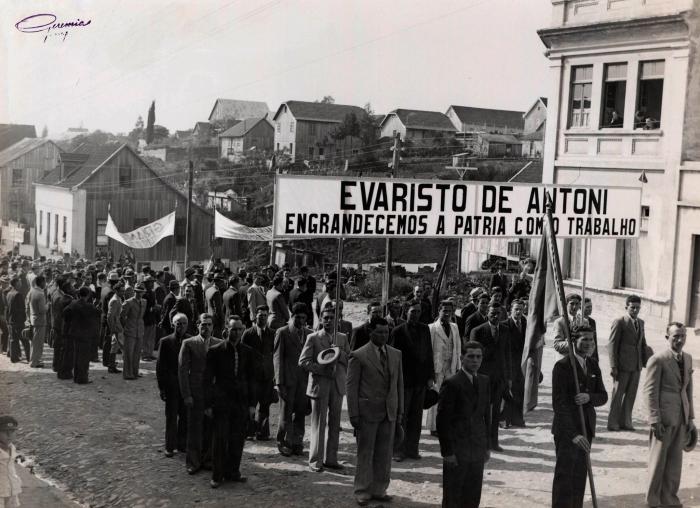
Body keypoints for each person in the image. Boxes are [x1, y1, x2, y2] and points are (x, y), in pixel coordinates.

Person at [347, 318, 403, 506]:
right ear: (371, 332)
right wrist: (353, 414)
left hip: (389, 412)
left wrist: (400, 411)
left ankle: (379, 489)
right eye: (379, 332)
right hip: (367, 412)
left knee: (385, 453)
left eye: (386, 332)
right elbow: (351, 387)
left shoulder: (396, 355)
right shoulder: (359, 355)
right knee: (366, 452)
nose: (383, 336)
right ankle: (362, 490)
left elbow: (399, 385)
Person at [551, 326, 608, 508]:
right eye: (584, 339)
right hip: (569, 432)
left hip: (587, 428)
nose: (588, 344)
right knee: (565, 477)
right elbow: (559, 405)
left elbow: (603, 396)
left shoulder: (593, 364)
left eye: (591, 340)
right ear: (573, 341)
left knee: (580, 477)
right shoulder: (562, 366)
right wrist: (573, 434)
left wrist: (589, 397)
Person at [644, 322, 695, 508]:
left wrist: (690, 418)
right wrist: (654, 419)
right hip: (663, 420)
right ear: (667, 338)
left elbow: (688, 390)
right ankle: (653, 501)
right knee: (658, 463)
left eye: (683, 336)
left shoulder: (688, 359)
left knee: (674, 464)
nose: (680, 340)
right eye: (675, 336)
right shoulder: (658, 360)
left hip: (681, 417)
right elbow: (650, 392)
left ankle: (669, 500)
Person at [204, 315, 256, 489]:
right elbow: (207, 380)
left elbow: (251, 379)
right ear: (227, 330)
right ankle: (217, 476)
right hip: (221, 403)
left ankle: (233, 472)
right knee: (220, 439)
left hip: (240, 403)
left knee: (237, 439)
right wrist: (208, 405)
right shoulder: (215, 351)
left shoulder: (247, 351)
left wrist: (251, 405)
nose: (237, 332)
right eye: (234, 329)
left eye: (240, 329)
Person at [437, 342, 491, 508]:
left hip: (477, 448)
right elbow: (442, 421)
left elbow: (486, 417)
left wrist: (487, 446)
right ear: (462, 358)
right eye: (471, 356)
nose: (475, 360)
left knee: (473, 495)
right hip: (458, 450)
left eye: (478, 356)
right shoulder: (452, 383)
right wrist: (447, 452)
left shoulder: (484, 381)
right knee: (453, 496)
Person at [299, 304, 350, 472]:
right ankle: (316, 461)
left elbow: (349, 359)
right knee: (319, 424)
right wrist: (322, 369)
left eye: (332, 318)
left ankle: (331, 459)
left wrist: (339, 353)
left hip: (337, 385)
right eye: (325, 318)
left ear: (337, 320)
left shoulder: (342, 338)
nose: (328, 321)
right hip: (320, 385)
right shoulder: (313, 338)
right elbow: (304, 361)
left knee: (335, 424)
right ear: (320, 319)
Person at [390, 299, 434, 461]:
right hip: (404, 382)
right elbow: (392, 359)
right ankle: (398, 450)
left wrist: (431, 376)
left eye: (418, 311)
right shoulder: (398, 331)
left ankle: (412, 449)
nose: (416, 314)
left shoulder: (425, 330)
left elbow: (429, 353)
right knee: (402, 417)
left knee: (416, 418)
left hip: (421, 381)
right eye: (413, 311)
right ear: (406, 312)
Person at [178, 314, 221, 475]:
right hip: (195, 392)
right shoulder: (189, 343)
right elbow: (182, 371)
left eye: (209, 325)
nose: (206, 328)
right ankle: (193, 462)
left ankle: (208, 459)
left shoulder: (219, 344)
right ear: (197, 326)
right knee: (194, 428)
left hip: (212, 394)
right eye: (203, 325)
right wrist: (186, 395)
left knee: (210, 427)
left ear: (213, 327)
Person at [273, 303, 312, 457]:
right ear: (292, 316)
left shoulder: (310, 334)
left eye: (303, 317)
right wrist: (278, 382)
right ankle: (283, 442)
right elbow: (277, 358)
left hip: (303, 382)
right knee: (286, 414)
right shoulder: (282, 332)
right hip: (287, 381)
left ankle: (297, 442)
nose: (300, 320)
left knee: (301, 413)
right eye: (297, 317)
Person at [470, 303, 510, 451]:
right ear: (487, 313)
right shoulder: (478, 331)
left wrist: (508, 378)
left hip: (498, 378)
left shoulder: (505, 330)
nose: (495, 316)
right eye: (492, 313)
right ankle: (479, 442)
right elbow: (472, 356)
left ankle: (493, 442)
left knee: (495, 412)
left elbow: (508, 355)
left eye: (498, 313)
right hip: (482, 377)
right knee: (480, 410)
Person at [607, 294, 650, 431]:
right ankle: (613, 422)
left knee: (631, 394)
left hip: (636, 365)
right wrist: (613, 365)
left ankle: (626, 421)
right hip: (622, 365)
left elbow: (643, 343)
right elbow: (612, 344)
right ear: (626, 307)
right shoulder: (620, 322)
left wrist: (646, 360)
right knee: (618, 393)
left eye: (638, 308)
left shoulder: (641, 323)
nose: (635, 310)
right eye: (632, 307)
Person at [156, 313, 190, 458]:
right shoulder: (165, 342)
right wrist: (162, 388)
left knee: (185, 416)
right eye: (178, 323)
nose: (181, 326)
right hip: (171, 386)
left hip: (186, 386)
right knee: (171, 417)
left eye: (183, 323)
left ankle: (182, 444)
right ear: (172, 324)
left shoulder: (191, 340)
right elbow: (160, 367)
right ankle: (170, 446)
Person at [426, 301, 461, 437]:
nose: (447, 314)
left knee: (450, 396)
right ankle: (433, 426)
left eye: (449, 311)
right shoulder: (432, 328)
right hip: (437, 367)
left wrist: (458, 366)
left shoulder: (454, 327)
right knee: (436, 396)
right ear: (439, 311)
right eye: (444, 311)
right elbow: (429, 350)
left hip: (450, 366)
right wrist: (430, 372)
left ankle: (447, 424)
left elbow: (457, 347)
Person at [241, 305, 276, 441]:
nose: (262, 317)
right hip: (252, 376)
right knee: (251, 404)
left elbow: (275, 354)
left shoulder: (273, 333)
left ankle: (263, 432)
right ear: (255, 316)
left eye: (265, 315)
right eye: (260, 315)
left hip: (267, 375)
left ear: (268, 317)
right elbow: (243, 353)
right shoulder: (248, 333)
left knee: (265, 404)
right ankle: (249, 431)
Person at [61, 287, 100, 384]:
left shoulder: (73, 303)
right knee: (84, 357)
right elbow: (96, 316)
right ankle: (82, 378)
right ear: (88, 295)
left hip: (74, 333)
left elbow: (65, 312)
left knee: (76, 355)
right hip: (85, 334)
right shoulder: (89, 306)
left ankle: (76, 376)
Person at [500, 299, 527, 428]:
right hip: (508, 363)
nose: (518, 312)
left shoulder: (526, 323)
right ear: (511, 309)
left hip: (521, 364)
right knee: (507, 392)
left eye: (521, 309)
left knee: (520, 391)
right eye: (516, 309)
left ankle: (517, 418)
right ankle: (504, 419)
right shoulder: (505, 325)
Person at [120, 282, 147, 380]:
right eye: (138, 292)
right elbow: (122, 317)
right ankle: (127, 373)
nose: (139, 294)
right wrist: (126, 327)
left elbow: (142, 315)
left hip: (139, 329)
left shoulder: (144, 302)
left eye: (141, 292)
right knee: (128, 353)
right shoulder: (128, 302)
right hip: (130, 329)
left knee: (137, 353)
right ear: (134, 291)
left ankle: (135, 372)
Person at [50, 280, 73, 374]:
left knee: (57, 347)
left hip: (56, 323)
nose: (72, 288)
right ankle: (58, 366)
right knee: (60, 347)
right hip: (60, 325)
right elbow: (61, 315)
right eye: (70, 287)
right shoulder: (61, 297)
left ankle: (56, 365)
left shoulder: (56, 293)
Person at [27, 274, 48, 368]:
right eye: (44, 282)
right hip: (39, 320)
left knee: (34, 342)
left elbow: (27, 305)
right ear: (42, 283)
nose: (45, 284)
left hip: (33, 318)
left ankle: (33, 359)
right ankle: (35, 362)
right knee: (38, 343)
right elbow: (42, 310)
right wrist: (48, 305)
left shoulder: (32, 291)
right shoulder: (40, 294)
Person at [0, 416, 21, 508]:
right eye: (5, 432)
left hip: (12, 490)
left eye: (12, 431)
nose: (9, 435)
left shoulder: (12, 447)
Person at [6, 278, 28, 364]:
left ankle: (13, 358)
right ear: (15, 284)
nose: (20, 284)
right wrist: (24, 319)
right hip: (18, 321)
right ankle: (29, 357)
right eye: (19, 282)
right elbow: (22, 309)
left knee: (13, 340)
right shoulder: (18, 294)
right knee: (25, 340)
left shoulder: (9, 294)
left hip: (11, 320)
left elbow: (7, 308)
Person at [106, 284, 125, 374]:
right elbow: (110, 316)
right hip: (116, 327)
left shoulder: (119, 299)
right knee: (120, 347)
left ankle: (111, 365)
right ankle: (112, 366)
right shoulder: (115, 301)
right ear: (116, 291)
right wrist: (112, 328)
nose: (123, 292)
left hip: (118, 326)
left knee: (115, 346)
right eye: (121, 291)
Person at [141, 275, 159, 361]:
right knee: (146, 337)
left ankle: (150, 353)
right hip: (146, 318)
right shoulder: (144, 294)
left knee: (151, 337)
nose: (152, 284)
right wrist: (152, 308)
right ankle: (145, 354)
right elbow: (143, 308)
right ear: (146, 284)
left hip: (152, 318)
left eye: (152, 282)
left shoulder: (152, 293)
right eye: (150, 282)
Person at [205, 274, 225, 339]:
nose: (223, 283)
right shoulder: (216, 292)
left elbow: (206, 305)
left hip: (209, 317)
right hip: (216, 321)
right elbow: (218, 310)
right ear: (219, 282)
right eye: (223, 281)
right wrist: (222, 323)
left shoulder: (208, 290)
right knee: (217, 340)